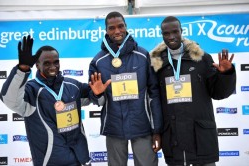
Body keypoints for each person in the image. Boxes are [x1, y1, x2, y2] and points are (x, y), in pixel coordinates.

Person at [0, 35, 110, 166]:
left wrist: (97, 94)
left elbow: (96, 99)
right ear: (37, 65)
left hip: (80, 159)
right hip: (51, 161)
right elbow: (9, 99)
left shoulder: (72, 85)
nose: (52, 66)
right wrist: (22, 69)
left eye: (56, 62)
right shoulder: (31, 91)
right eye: (46, 63)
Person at [149, 16, 236, 166]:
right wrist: (156, 131)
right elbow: (154, 100)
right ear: (162, 35)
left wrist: (226, 74)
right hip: (174, 141)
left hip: (201, 140)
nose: (171, 37)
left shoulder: (202, 59)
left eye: (175, 32)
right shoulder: (157, 65)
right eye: (166, 33)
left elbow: (219, 93)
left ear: (181, 31)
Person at [88, 11, 163, 166]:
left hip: (142, 126)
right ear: (106, 31)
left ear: (126, 27)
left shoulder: (143, 55)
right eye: (112, 28)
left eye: (120, 26)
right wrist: (97, 93)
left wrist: (157, 129)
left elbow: (153, 94)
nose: (117, 31)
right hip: (114, 127)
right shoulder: (98, 61)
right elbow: (97, 98)